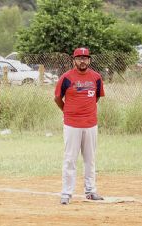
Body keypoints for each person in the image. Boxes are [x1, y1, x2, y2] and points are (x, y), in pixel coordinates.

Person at [54, 47, 105, 205]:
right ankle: (66, 193)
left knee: (90, 159)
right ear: (73, 60)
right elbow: (57, 98)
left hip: (90, 124)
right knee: (70, 159)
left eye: (85, 58)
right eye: (79, 58)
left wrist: (86, 112)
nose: (82, 61)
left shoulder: (96, 78)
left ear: (89, 60)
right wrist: (68, 111)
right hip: (72, 124)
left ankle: (90, 191)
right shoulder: (66, 78)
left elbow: (96, 97)